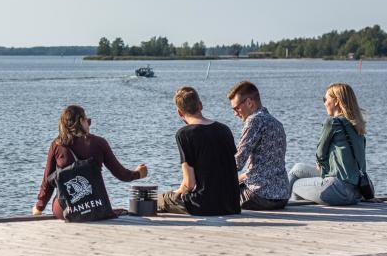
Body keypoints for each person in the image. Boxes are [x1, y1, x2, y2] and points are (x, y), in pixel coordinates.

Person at [32, 105, 147, 219]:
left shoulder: (56, 145)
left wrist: (39, 207)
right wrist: (138, 174)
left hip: (64, 210)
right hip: (96, 207)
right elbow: (121, 174)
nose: (89, 124)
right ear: (81, 121)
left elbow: (47, 182)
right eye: (88, 120)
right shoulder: (99, 143)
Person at [157, 86, 240, 215]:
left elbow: (189, 184)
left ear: (179, 112)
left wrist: (176, 193)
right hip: (232, 204)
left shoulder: (184, 134)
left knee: (160, 200)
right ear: (200, 105)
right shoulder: (225, 129)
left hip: (204, 205)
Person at [288, 82, 371, 205]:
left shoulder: (332, 122)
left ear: (336, 101)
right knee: (297, 169)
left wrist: (322, 165)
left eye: (325, 99)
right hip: (357, 193)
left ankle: (284, 203)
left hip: (337, 190)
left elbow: (320, 155)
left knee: (295, 185)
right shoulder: (358, 125)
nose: (324, 103)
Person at [228, 81, 290, 210]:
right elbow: (266, 166)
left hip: (258, 196)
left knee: (215, 193)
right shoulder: (277, 123)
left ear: (249, 103)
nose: (235, 113)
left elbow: (237, 162)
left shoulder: (254, 120)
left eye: (236, 108)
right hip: (282, 197)